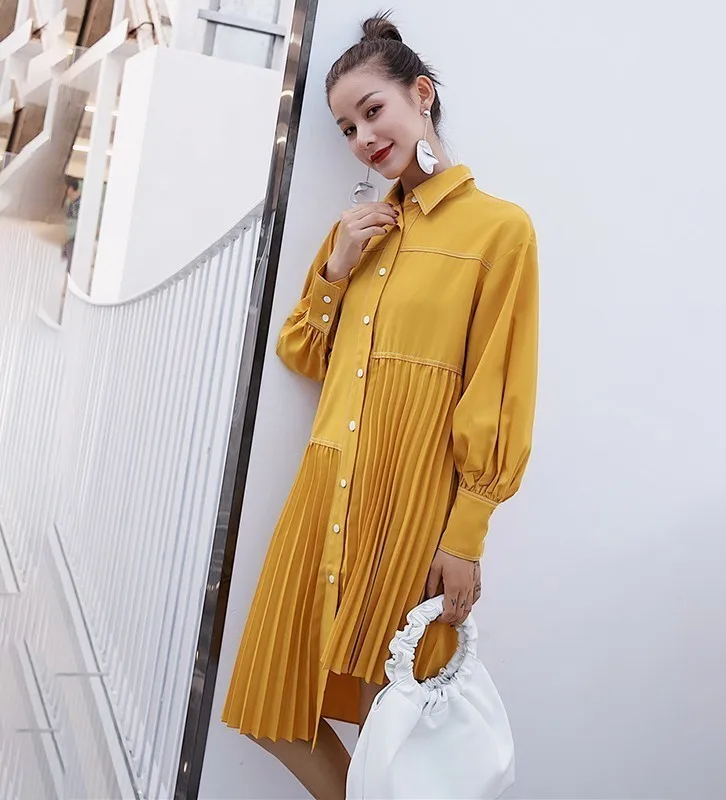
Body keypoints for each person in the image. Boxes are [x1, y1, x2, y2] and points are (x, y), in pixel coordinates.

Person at [222, 12, 539, 800]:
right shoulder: (358, 231)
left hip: (411, 498)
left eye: (373, 111)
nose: (363, 138)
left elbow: (499, 390)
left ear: (420, 95)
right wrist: (336, 269)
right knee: (268, 704)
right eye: (346, 128)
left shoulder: (500, 231)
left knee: (386, 720)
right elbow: (303, 353)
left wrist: (466, 534)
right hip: (325, 488)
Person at [63, 176, 81, 271]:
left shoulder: (77, 205)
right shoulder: (73, 204)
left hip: (74, 240)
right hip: (71, 240)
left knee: (71, 267)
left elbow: (74, 225)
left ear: (70, 189)